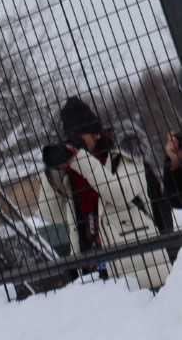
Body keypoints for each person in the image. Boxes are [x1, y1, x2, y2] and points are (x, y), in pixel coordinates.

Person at [40, 96, 172, 290]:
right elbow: (49, 215)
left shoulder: (124, 162)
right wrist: (54, 172)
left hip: (140, 273)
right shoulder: (70, 178)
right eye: (68, 138)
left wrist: (81, 160)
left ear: (97, 134)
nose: (74, 144)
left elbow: (119, 193)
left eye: (79, 136)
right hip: (95, 276)